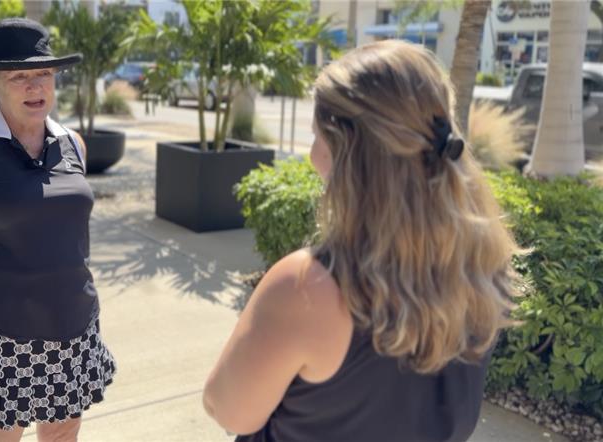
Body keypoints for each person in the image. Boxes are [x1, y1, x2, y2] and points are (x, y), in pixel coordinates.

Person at [203, 40, 520, 442]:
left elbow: (228, 409)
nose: (311, 154)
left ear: (346, 151)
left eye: (317, 135)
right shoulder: (486, 267)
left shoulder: (309, 287)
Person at [0, 18, 115, 442]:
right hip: (3, 335)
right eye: (19, 76)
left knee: (64, 434)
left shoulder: (73, 144)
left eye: (43, 74)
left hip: (75, 324)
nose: (35, 87)